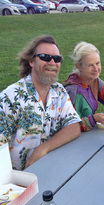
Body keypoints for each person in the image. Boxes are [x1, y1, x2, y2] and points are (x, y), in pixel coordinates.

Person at [0, 35, 81, 171]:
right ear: (31, 61)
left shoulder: (59, 91)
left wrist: (43, 149)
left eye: (57, 59)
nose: (52, 63)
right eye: (45, 57)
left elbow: (74, 126)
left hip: (52, 170)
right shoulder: (10, 98)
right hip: (17, 182)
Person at [62, 41, 104, 132]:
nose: (96, 69)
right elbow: (68, 127)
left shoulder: (94, 81)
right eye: (90, 65)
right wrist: (93, 119)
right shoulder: (73, 90)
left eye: (97, 63)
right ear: (78, 66)